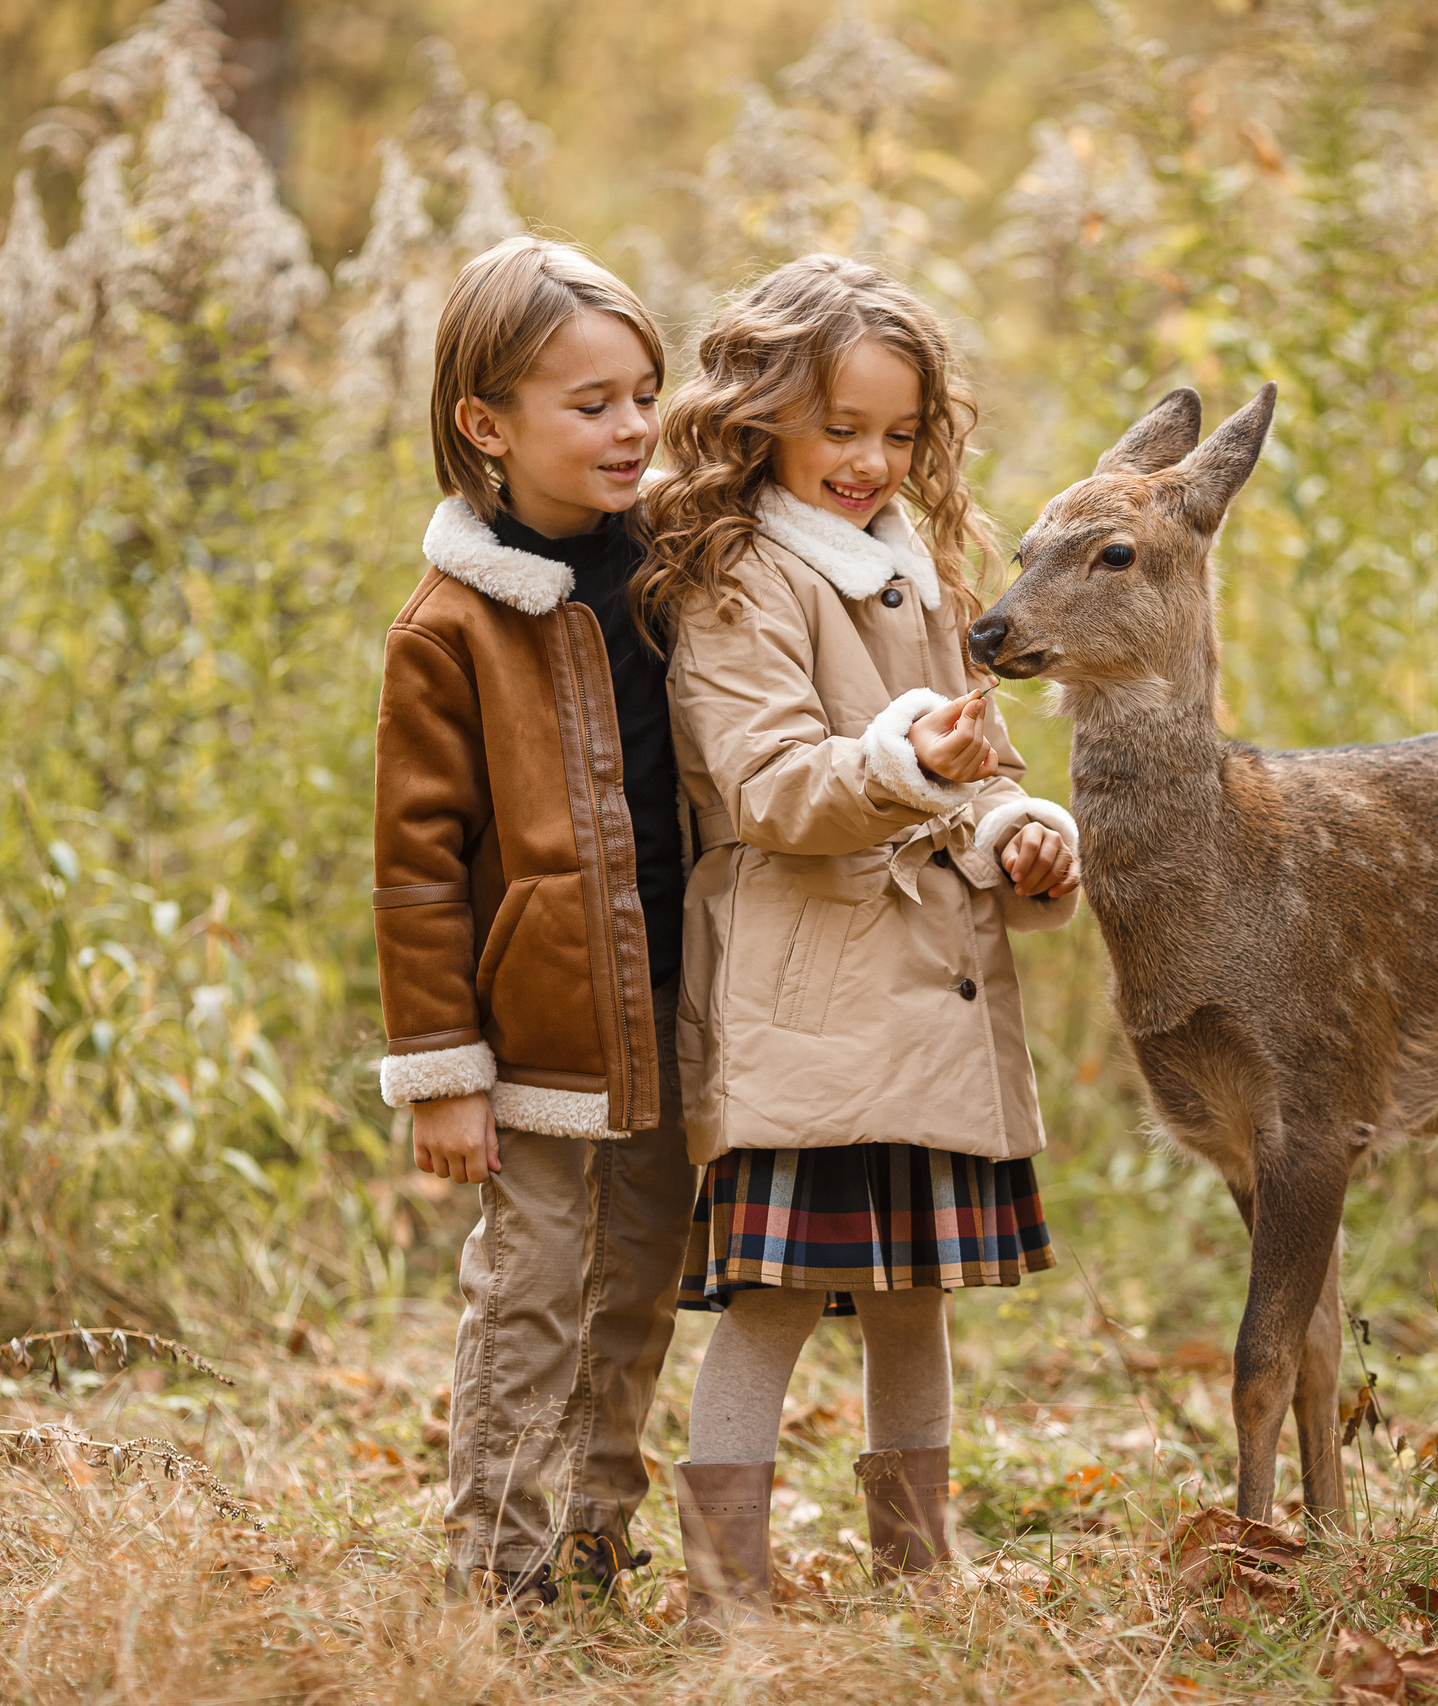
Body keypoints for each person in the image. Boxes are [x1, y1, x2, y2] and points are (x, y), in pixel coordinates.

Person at [637, 253, 1082, 1627]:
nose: (871, 461)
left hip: (927, 990)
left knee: (913, 1298)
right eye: (841, 428)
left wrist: (1018, 830)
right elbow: (769, 787)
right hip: (811, 993)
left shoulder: (920, 571)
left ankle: (920, 1573)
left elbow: (975, 766)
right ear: (763, 414)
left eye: (899, 433)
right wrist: (910, 764)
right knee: (771, 1295)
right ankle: (726, 1595)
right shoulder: (739, 579)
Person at [369, 236, 692, 1607]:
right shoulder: (451, 628)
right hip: (539, 1026)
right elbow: (417, 869)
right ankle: (499, 1560)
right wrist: (444, 1070)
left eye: (645, 396)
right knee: (533, 1283)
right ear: (487, 424)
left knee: (641, 1274)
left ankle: (595, 1530)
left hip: (675, 998)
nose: (631, 429)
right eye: (591, 404)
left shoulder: (680, 566)